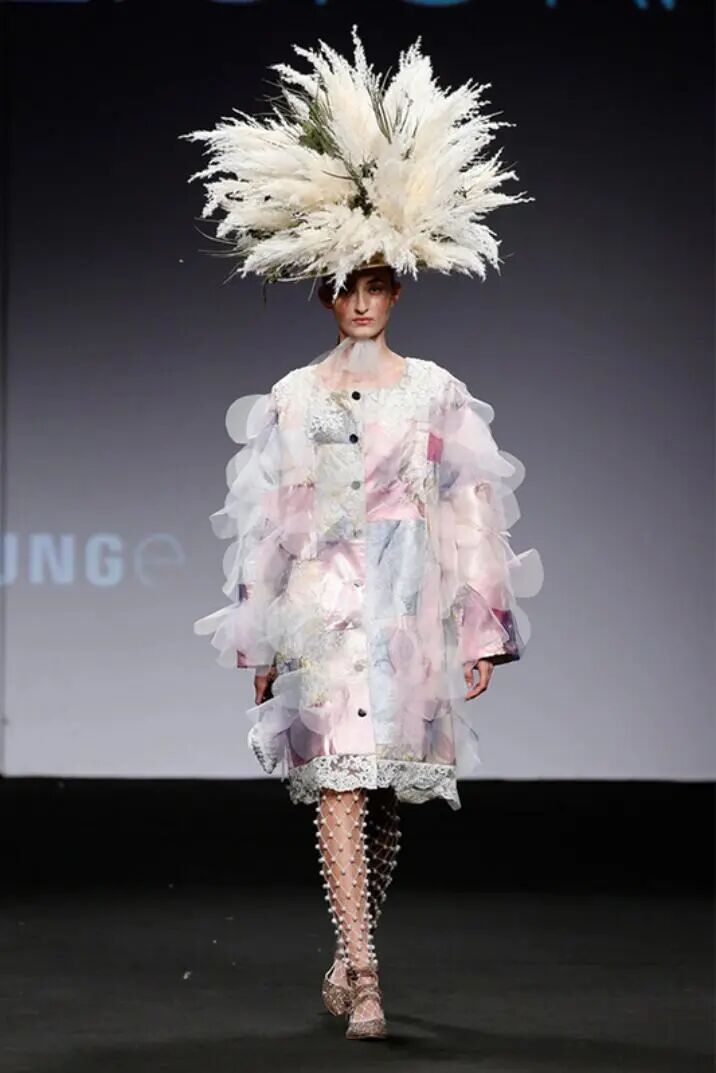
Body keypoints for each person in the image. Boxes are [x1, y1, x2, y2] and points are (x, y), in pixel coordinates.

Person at [183, 26, 543, 1040]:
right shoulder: (292, 396)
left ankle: (348, 952)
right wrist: (259, 634)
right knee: (338, 784)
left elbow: (471, 508)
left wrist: (481, 627)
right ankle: (370, 977)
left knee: (383, 792)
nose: (363, 300)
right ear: (324, 291)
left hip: (407, 606)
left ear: (398, 287)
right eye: (347, 285)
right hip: (323, 608)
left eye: (377, 282)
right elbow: (266, 520)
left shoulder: (434, 391)